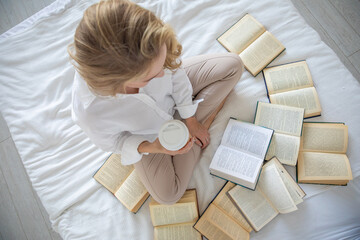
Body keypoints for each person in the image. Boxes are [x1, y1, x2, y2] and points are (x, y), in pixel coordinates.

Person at [68, 0, 244, 205]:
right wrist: (154, 147)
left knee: (233, 65)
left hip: (175, 100)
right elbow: (114, 143)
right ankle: (204, 118)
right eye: (151, 77)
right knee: (169, 195)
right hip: (150, 136)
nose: (163, 73)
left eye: (162, 64)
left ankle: (199, 124)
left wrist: (191, 120)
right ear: (120, 82)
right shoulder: (91, 113)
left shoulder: (150, 49)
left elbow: (176, 73)